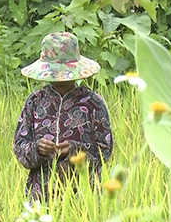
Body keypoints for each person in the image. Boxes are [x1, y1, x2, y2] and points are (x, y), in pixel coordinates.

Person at [13, 32, 113, 202]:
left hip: (83, 195)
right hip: (40, 196)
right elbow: (20, 147)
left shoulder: (93, 103)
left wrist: (74, 150)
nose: (60, 78)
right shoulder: (35, 102)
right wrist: (38, 149)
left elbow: (105, 150)